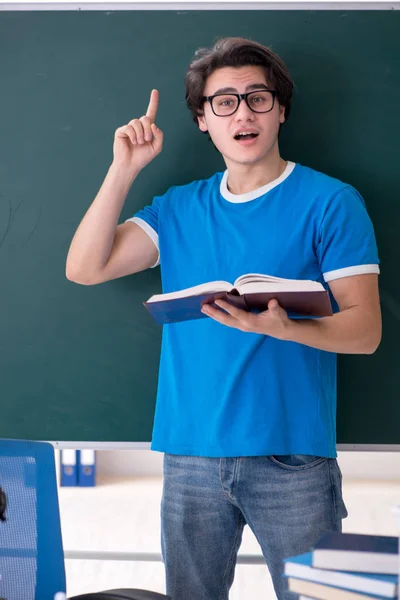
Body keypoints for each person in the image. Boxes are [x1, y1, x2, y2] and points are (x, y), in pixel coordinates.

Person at [66, 37, 381, 600]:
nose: (244, 113)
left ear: (281, 109)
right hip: (189, 455)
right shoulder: (178, 207)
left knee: (331, 598)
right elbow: (85, 268)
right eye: (225, 102)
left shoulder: (333, 202)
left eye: (258, 98)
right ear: (204, 120)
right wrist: (124, 168)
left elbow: (367, 331)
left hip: (296, 460)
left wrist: (285, 327)